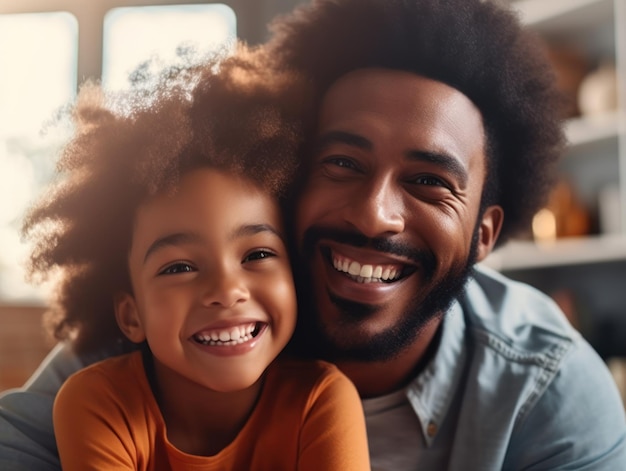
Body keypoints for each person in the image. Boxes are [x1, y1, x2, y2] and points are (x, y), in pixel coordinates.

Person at [1, 0, 625, 469]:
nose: (374, 214)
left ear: (485, 234)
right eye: (343, 164)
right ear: (288, 177)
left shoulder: (545, 391)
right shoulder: (173, 327)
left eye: (430, 181)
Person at [8, 50, 370, 470]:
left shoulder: (320, 400)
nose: (226, 290)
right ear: (131, 316)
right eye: (179, 267)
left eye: (257, 254)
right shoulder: (98, 402)